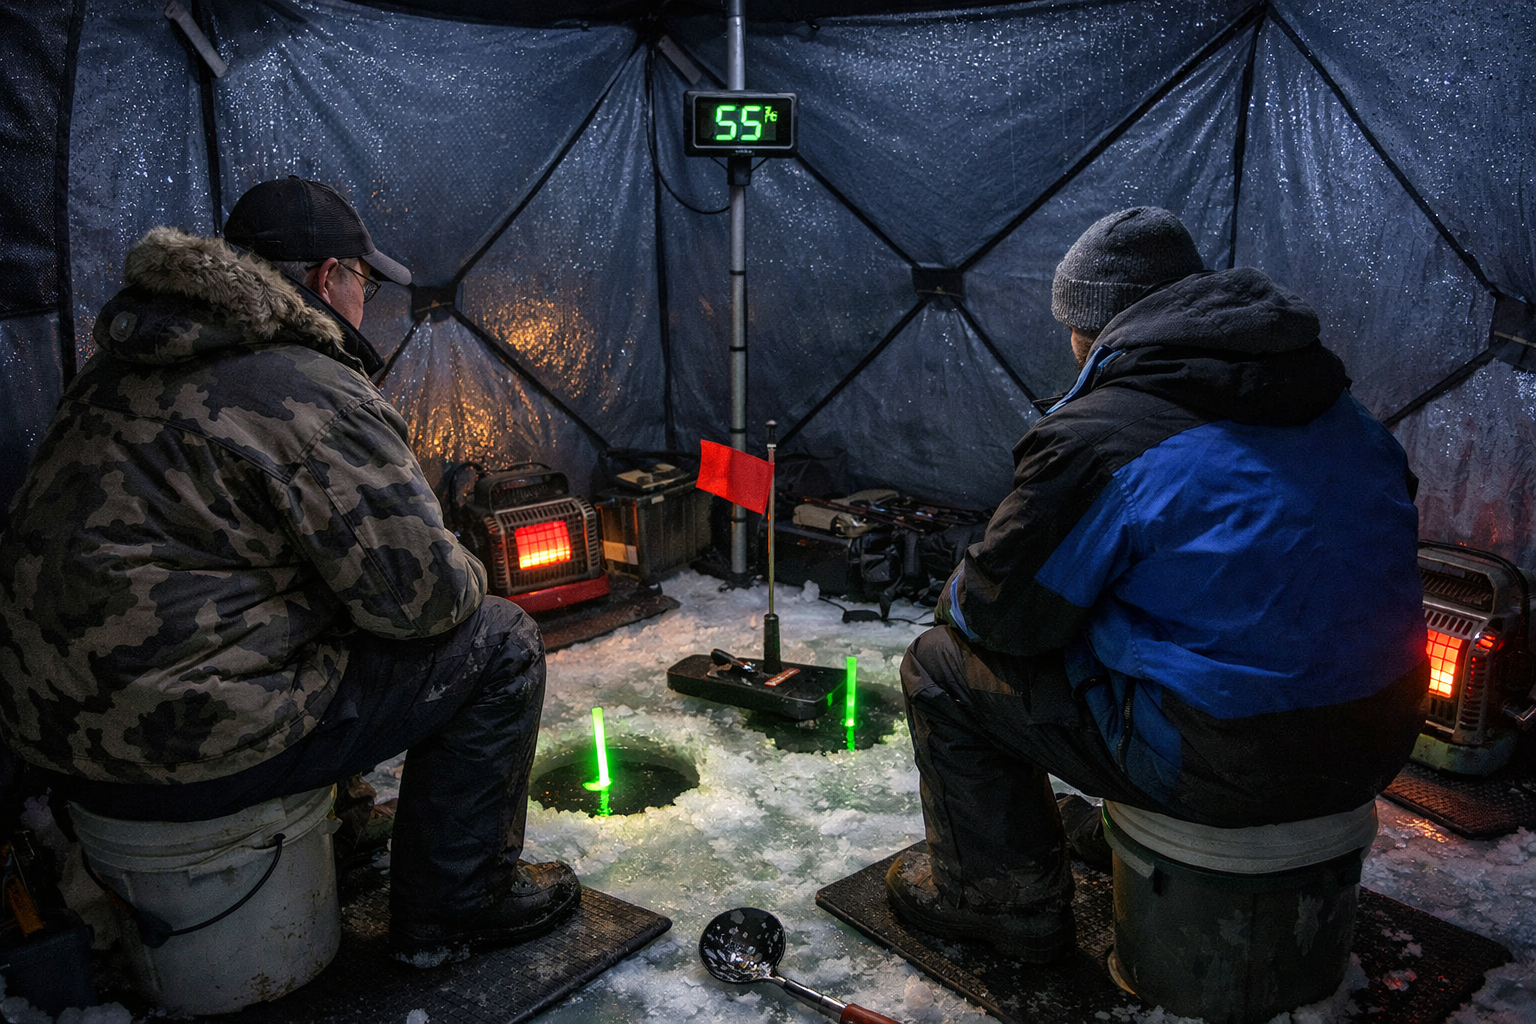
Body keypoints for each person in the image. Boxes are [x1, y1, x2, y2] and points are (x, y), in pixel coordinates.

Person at [0, 176, 578, 967]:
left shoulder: (117, 368)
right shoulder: (303, 386)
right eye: (364, 282)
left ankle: (341, 826)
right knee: (499, 641)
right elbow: (427, 602)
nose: (366, 302)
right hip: (190, 747)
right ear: (324, 278)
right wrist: (465, 562)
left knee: (303, 605)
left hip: (52, 746)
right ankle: (457, 909)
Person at [886, 207, 1428, 963]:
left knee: (944, 668)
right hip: (1385, 730)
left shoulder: (1105, 437)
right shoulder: (1341, 409)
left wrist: (962, 597)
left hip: (1229, 757)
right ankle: (1107, 809)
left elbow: (1003, 618)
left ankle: (1001, 904)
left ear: (1096, 326)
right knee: (1157, 613)